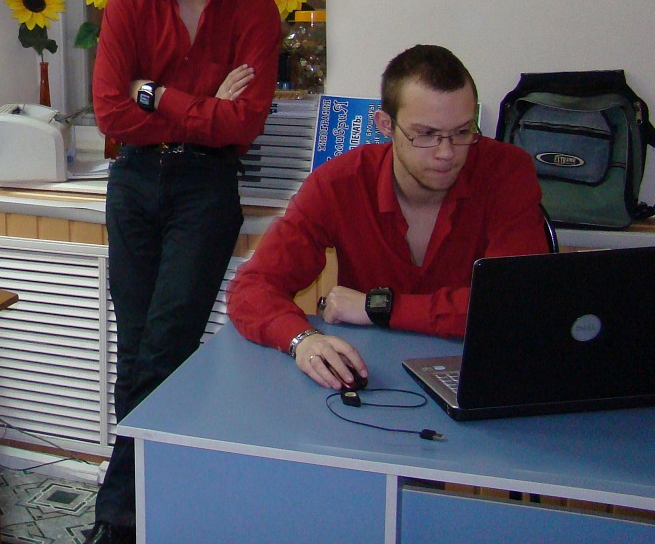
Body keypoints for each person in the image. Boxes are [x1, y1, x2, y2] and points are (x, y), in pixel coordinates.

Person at [85, 0, 281, 544]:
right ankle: (145, 505)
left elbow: (243, 124)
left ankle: (117, 514)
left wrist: (158, 95)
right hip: (134, 180)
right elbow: (111, 112)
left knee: (166, 343)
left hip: (207, 186)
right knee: (137, 344)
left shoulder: (255, 11)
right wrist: (204, 106)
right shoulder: (129, 3)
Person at [228, 44, 548, 390]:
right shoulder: (340, 183)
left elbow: (514, 304)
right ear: (385, 124)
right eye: (426, 134)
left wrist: (380, 308)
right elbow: (252, 288)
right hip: (373, 377)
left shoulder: (506, 171)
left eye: (462, 131)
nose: (447, 153)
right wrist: (302, 340)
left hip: (482, 373)